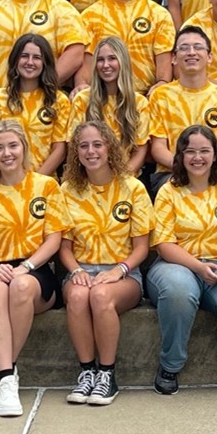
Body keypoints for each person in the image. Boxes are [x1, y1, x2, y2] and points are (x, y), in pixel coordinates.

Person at [146, 125, 217, 395]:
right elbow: (164, 243)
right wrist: (198, 267)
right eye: (190, 151)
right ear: (180, 156)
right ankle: (170, 365)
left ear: (216, 154)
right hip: (177, 265)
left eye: (204, 151)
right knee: (178, 291)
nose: (197, 157)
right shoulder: (169, 190)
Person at [0, 120, 69, 418]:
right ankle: (8, 379)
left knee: (20, 286)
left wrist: (27, 265)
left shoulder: (46, 185)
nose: (6, 153)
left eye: (13, 145)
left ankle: (1, 374)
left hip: (34, 269)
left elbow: (54, 238)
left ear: (24, 147)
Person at [58, 121, 152, 407]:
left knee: (100, 295)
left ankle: (107, 375)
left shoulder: (132, 188)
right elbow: (64, 247)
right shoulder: (67, 190)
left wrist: (118, 270)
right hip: (81, 268)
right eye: (83, 146)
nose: (90, 151)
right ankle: (87, 372)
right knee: (77, 295)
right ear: (76, 152)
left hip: (123, 273)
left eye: (97, 144)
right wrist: (76, 271)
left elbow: (142, 247)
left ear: (109, 146)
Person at [145, 25, 217, 192]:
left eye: (198, 47)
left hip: (214, 173)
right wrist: (189, 170)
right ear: (174, 58)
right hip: (172, 173)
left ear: (209, 57)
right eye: (184, 48)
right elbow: (158, 149)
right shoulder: (161, 96)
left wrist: (216, 171)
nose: (191, 52)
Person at [78, 0, 175, 94]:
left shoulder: (159, 14)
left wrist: (161, 84)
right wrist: (82, 87)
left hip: (145, 99)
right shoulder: (90, 16)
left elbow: (164, 69)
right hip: (105, 99)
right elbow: (86, 69)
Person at [0, 33, 72, 176]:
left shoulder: (59, 101)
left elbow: (60, 150)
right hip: (6, 183)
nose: (30, 62)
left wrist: (34, 184)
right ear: (15, 60)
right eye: (24, 56)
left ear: (45, 63)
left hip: (45, 184)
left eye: (37, 57)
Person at [69, 36, 150, 175]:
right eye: (100, 60)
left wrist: (119, 178)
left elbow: (140, 151)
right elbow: (73, 145)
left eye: (112, 58)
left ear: (123, 62)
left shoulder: (139, 103)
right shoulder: (82, 100)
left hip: (126, 178)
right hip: (90, 176)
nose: (105, 65)